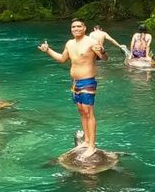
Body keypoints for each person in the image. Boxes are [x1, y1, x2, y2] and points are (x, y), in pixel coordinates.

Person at [38, 17, 106, 154]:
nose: (75, 29)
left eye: (78, 26)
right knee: (81, 111)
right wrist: (48, 50)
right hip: (75, 82)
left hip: (87, 81)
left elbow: (104, 58)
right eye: (73, 27)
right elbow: (62, 59)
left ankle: (92, 146)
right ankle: (86, 141)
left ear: (85, 28)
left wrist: (102, 51)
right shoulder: (70, 43)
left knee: (89, 112)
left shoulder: (91, 42)